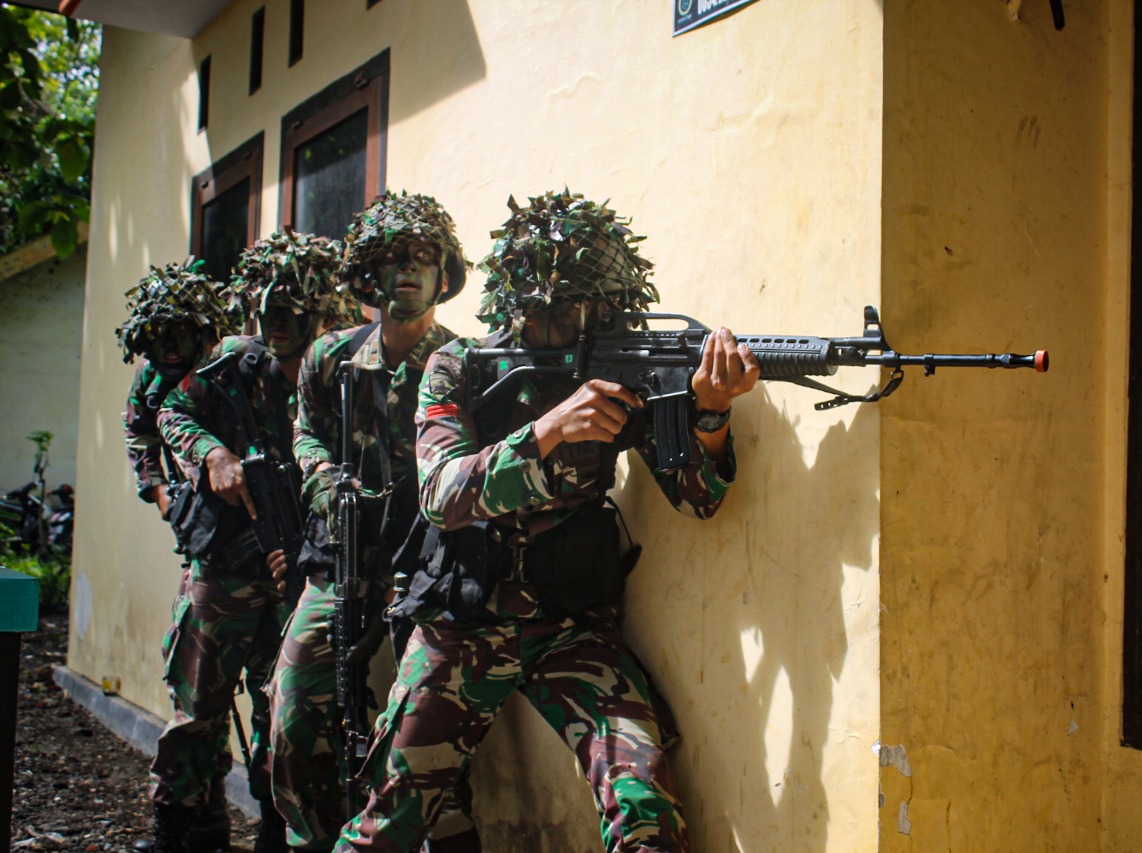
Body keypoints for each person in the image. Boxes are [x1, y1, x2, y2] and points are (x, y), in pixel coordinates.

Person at [332, 190, 760, 853]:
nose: (560, 322)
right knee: (389, 821)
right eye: (544, 309)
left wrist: (708, 412)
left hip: (570, 626)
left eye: (577, 307)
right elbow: (442, 494)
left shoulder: (619, 370)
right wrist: (547, 432)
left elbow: (698, 498)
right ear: (512, 303)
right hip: (461, 625)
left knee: (643, 797)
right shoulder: (458, 368)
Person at [266, 192, 482, 853]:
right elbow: (304, 434)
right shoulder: (330, 359)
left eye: (424, 258)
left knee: (427, 740)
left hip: (430, 570)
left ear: (443, 275)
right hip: (343, 560)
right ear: (370, 276)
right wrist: (325, 476)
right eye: (394, 260)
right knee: (294, 715)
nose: (410, 272)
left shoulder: (468, 364)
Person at [153, 231, 361, 853]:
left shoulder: (343, 374)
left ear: (321, 313)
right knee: (198, 709)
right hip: (227, 562)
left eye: (291, 314)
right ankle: (183, 826)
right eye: (267, 314)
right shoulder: (236, 363)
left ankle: (279, 825)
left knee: (289, 712)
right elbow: (171, 412)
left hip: (305, 570)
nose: (276, 326)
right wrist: (212, 455)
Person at [117, 259, 242, 853]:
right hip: (201, 546)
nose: (169, 346)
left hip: (257, 542)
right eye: (158, 335)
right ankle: (192, 821)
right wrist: (161, 491)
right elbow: (140, 431)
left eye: (180, 334)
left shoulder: (229, 368)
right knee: (194, 692)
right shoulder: (152, 380)